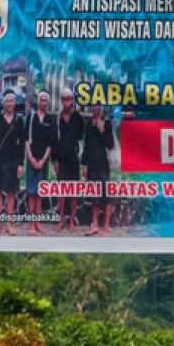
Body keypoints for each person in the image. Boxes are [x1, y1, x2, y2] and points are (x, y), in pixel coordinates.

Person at [0, 90, 26, 236]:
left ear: (15, 103)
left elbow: (22, 143)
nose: (10, 103)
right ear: (4, 103)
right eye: (7, 101)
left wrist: (20, 164)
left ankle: (10, 225)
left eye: (12, 100)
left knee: (11, 193)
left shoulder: (19, 120)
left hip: (13, 162)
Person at [52, 88, 85, 233]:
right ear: (61, 100)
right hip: (60, 159)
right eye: (64, 99)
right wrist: (55, 160)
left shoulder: (77, 117)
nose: (67, 102)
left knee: (73, 191)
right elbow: (53, 140)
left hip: (73, 159)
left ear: (72, 101)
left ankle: (72, 220)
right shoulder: (57, 118)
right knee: (61, 192)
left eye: (69, 99)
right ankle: (61, 220)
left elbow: (80, 136)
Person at [81, 104, 116, 236]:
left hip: (103, 164)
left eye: (97, 106)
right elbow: (86, 146)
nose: (94, 108)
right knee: (94, 196)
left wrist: (102, 130)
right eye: (92, 106)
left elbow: (110, 145)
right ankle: (94, 225)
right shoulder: (89, 125)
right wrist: (84, 165)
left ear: (100, 108)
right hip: (92, 164)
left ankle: (106, 227)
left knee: (106, 196)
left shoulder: (106, 123)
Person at [24, 90, 56, 236]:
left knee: (40, 192)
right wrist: (30, 158)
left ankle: (38, 222)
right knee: (31, 192)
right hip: (31, 160)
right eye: (41, 99)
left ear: (48, 103)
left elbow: (51, 143)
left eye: (45, 100)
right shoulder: (30, 117)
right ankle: (31, 224)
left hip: (44, 161)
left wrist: (43, 160)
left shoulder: (51, 119)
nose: (43, 102)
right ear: (38, 101)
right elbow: (26, 140)